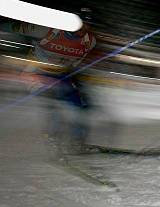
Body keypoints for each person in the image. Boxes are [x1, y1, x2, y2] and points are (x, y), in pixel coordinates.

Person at [1, 10, 97, 152]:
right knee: (54, 103)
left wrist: (79, 83)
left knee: (80, 108)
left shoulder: (90, 42)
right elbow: (15, 27)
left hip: (61, 75)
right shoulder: (49, 30)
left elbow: (76, 64)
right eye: (81, 24)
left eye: (87, 25)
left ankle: (78, 143)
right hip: (37, 72)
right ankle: (54, 143)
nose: (83, 28)